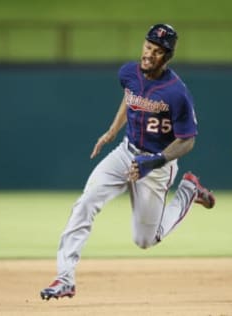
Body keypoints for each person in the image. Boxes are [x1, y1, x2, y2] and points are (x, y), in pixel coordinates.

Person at [40, 23, 216, 300]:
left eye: (157, 51)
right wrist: (112, 131)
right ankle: (65, 278)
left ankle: (188, 191)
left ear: (167, 57)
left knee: (145, 240)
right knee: (86, 202)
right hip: (126, 152)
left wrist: (155, 161)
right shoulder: (128, 73)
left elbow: (187, 140)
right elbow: (130, 98)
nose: (149, 54)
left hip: (157, 166)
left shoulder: (176, 92)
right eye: (147, 47)